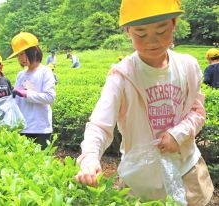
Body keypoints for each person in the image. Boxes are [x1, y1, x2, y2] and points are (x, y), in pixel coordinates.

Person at [75, 0, 214, 205]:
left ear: (174, 23)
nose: (152, 41)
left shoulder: (188, 67)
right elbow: (99, 124)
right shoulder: (122, 76)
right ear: (127, 31)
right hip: (141, 178)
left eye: (161, 30)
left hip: (187, 169)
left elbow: (198, 112)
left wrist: (179, 134)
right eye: (141, 33)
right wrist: (89, 158)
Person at [8, 32, 56, 150]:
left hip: (40, 128)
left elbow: (50, 97)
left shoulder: (45, 72)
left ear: (34, 51)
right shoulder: (20, 75)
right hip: (22, 128)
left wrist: (26, 94)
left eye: (23, 54)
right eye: (18, 55)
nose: (20, 59)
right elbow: (16, 101)